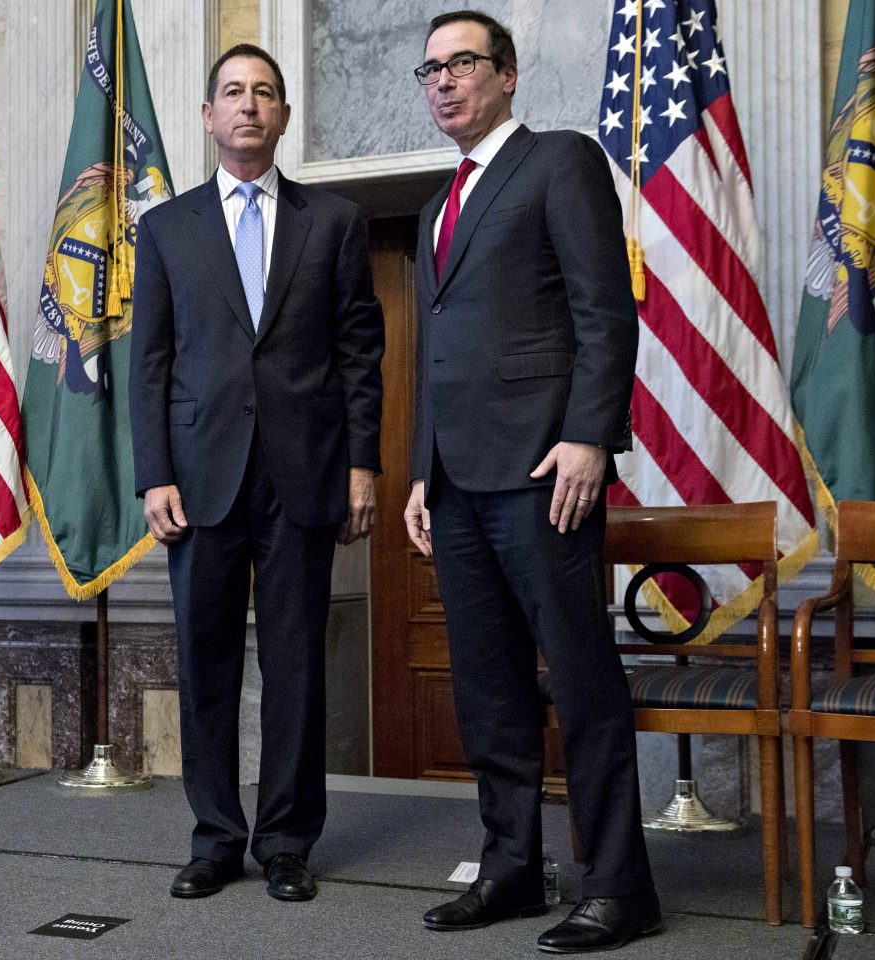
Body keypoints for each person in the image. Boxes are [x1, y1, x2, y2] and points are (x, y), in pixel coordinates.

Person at [403, 11, 660, 953]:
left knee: (582, 681)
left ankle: (621, 888)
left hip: (547, 472)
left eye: (462, 63)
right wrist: (422, 472)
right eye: (429, 69)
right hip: (459, 483)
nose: (442, 81)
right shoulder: (437, 206)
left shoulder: (562, 162)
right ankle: (512, 869)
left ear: (507, 74)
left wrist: (592, 436)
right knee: (490, 688)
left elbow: (605, 310)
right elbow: (437, 353)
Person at [130, 43, 384, 903]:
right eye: (231, 93)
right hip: (198, 482)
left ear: (282, 115)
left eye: (263, 93)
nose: (247, 105)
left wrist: (362, 465)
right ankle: (214, 839)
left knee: (295, 665)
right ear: (208, 117)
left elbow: (360, 356)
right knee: (204, 664)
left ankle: (285, 841)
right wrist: (152, 473)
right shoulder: (165, 228)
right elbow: (151, 364)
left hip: (303, 476)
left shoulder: (336, 222)